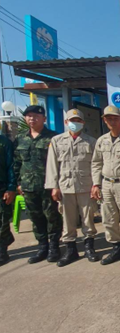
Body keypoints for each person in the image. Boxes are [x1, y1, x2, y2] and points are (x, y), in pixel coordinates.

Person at [45, 108, 99, 267]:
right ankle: (71, 250)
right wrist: (54, 186)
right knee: (67, 221)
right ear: (66, 122)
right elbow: (52, 165)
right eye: (72, 120)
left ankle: (89, 248)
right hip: (65, 186)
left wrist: (96, 184)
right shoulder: (57, 141)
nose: (75, 123)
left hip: (86, 186)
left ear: (83, 122)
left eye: (78, 120)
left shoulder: (91, 141)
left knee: (88, 219)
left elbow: (96, 165)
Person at [14, 105, 63, 264]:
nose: (32, 119)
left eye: (36, 116)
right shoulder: (20, 138)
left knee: (52, 216)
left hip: (48, 185)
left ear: (44, 118)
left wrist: (57, 185)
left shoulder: (53, 138)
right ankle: (42, 246)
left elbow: (59, 163)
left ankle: (54, 246)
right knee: (35, 217)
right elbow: (17, 163)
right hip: (28, 186)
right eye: (29, 116)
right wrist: (18, 183)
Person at [91, 105, 120, 266]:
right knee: (108, 218)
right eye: (108, 118)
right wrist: (96, 184)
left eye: (115, 118)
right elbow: (96, 163)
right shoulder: (101, 141)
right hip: (106, 184)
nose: (112, 121)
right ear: (104, 120)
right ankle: (116, 248)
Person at [0, 134, 15, 266]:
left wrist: (11, 188)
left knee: (2, 221)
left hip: (2, 187)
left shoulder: (4, 142)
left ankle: (2, 251)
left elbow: (11, 166)